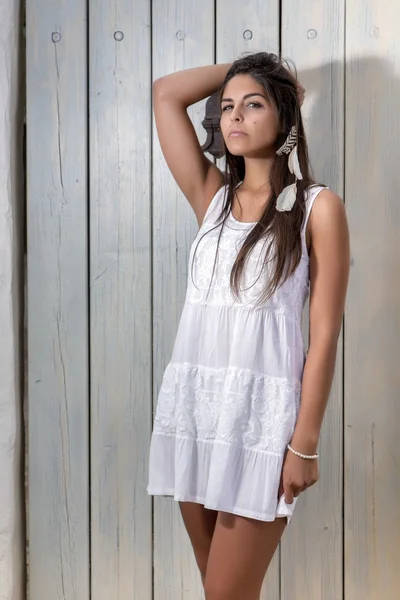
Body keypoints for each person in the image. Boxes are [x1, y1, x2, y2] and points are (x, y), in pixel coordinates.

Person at [147, 52, 350, 600]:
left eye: (254, 105)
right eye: (228, 107)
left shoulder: (317, 208)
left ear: (285, 117)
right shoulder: (212, 199)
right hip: (194, 415)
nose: (234, 116)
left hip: (259, 425)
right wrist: (246, 68)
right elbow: (166, 92)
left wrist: (303, 443)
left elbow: (325, 333)